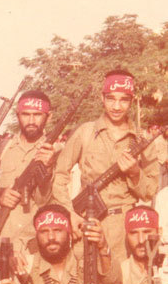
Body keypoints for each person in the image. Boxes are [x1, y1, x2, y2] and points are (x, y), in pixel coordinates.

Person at [53, 70, 159, 260]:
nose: (116, 106)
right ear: (102, 98)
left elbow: (150, 191)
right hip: (87, 222)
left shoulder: (142, 139)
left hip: (123, 229)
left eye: (123, 100)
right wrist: (69, 213)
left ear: (132, 101)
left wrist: (135, 173)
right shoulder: (85, 132)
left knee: (120, 277)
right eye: (111, 99)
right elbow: (59, 175)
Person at [0, 90, 55, 249]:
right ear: (18, 115)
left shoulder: (55, 152)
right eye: (26, 114)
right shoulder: (2, 148)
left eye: (37, 115)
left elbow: (50, 200)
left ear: (49, 117)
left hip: (35, 243)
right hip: (1, 238)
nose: (31, 120)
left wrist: (48, 169)